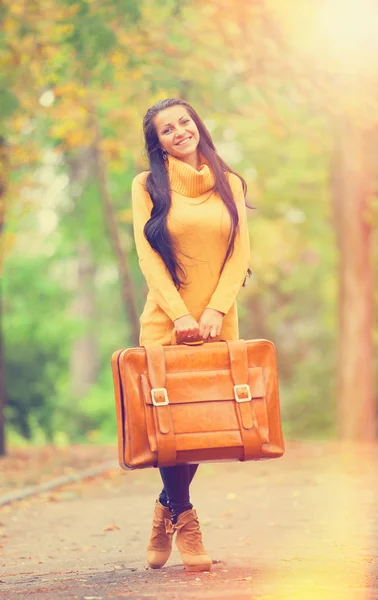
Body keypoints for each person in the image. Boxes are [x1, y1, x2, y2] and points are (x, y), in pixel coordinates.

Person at [131, 98, 252, 572]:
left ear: (197, 125)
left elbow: (240, 253)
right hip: (167, 322)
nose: (179, 131)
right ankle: (186, 518)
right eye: (167, 129)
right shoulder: (146, 186)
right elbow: (148, 257)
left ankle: (166, 509)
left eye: (184, 122)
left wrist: (216, 310)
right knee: (171, 428)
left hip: (218, 322)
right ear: (156, 141)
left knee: (200, 427)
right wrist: (180, 314)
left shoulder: (231, 182)